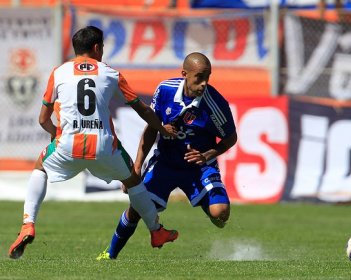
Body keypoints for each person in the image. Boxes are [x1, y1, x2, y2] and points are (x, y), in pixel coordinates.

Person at [8, 26, 179, 259]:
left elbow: (42, 119)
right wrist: (161, 128)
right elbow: (142, 109)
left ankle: (28, 224)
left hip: (68, 144)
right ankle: (156, 231)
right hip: (104, 146)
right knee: (134, 180)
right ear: (97, 48)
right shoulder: (111, 73)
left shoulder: (59, 72)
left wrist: (55, 137)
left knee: (40, 169)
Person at [96, 52, 237, 260]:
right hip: (165, 164)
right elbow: (151, 129)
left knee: (220, 213)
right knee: (136, 209)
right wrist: (136, 167)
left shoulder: (215, 104)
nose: (204, 83)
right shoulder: (165, 90)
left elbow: (231, 138)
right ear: (184, 74)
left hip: (199, 168)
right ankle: (110, 254)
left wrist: (207, 154)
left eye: (208, 77)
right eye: (199, 77)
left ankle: (211, 209)